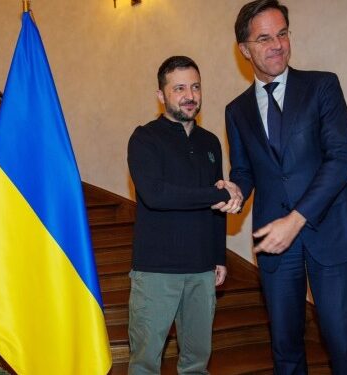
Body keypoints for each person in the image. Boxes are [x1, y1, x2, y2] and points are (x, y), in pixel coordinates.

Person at [225, 1, 347, 374]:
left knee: (344, 344)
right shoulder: (236, 110)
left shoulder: (322, 86)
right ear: (245, 49)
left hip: (330, 231)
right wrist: (236, 190)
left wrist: (297, 218)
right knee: (286, 348)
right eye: (264, 38)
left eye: (282, 33)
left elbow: (340, 159)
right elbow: (246, 169)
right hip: (275, 242)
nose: (277, 44)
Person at [126, 55, 242, 375]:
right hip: (156, 273)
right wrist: (218, 193)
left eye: (195, 87)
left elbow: (216, 207)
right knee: (145, 364)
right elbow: (156, 195)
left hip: (202, 271)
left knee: (196, 364)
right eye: (178, 88)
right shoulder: (145, 138)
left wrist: (219, 256)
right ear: (161, 96)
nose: (189, 95)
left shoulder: (211, 142)